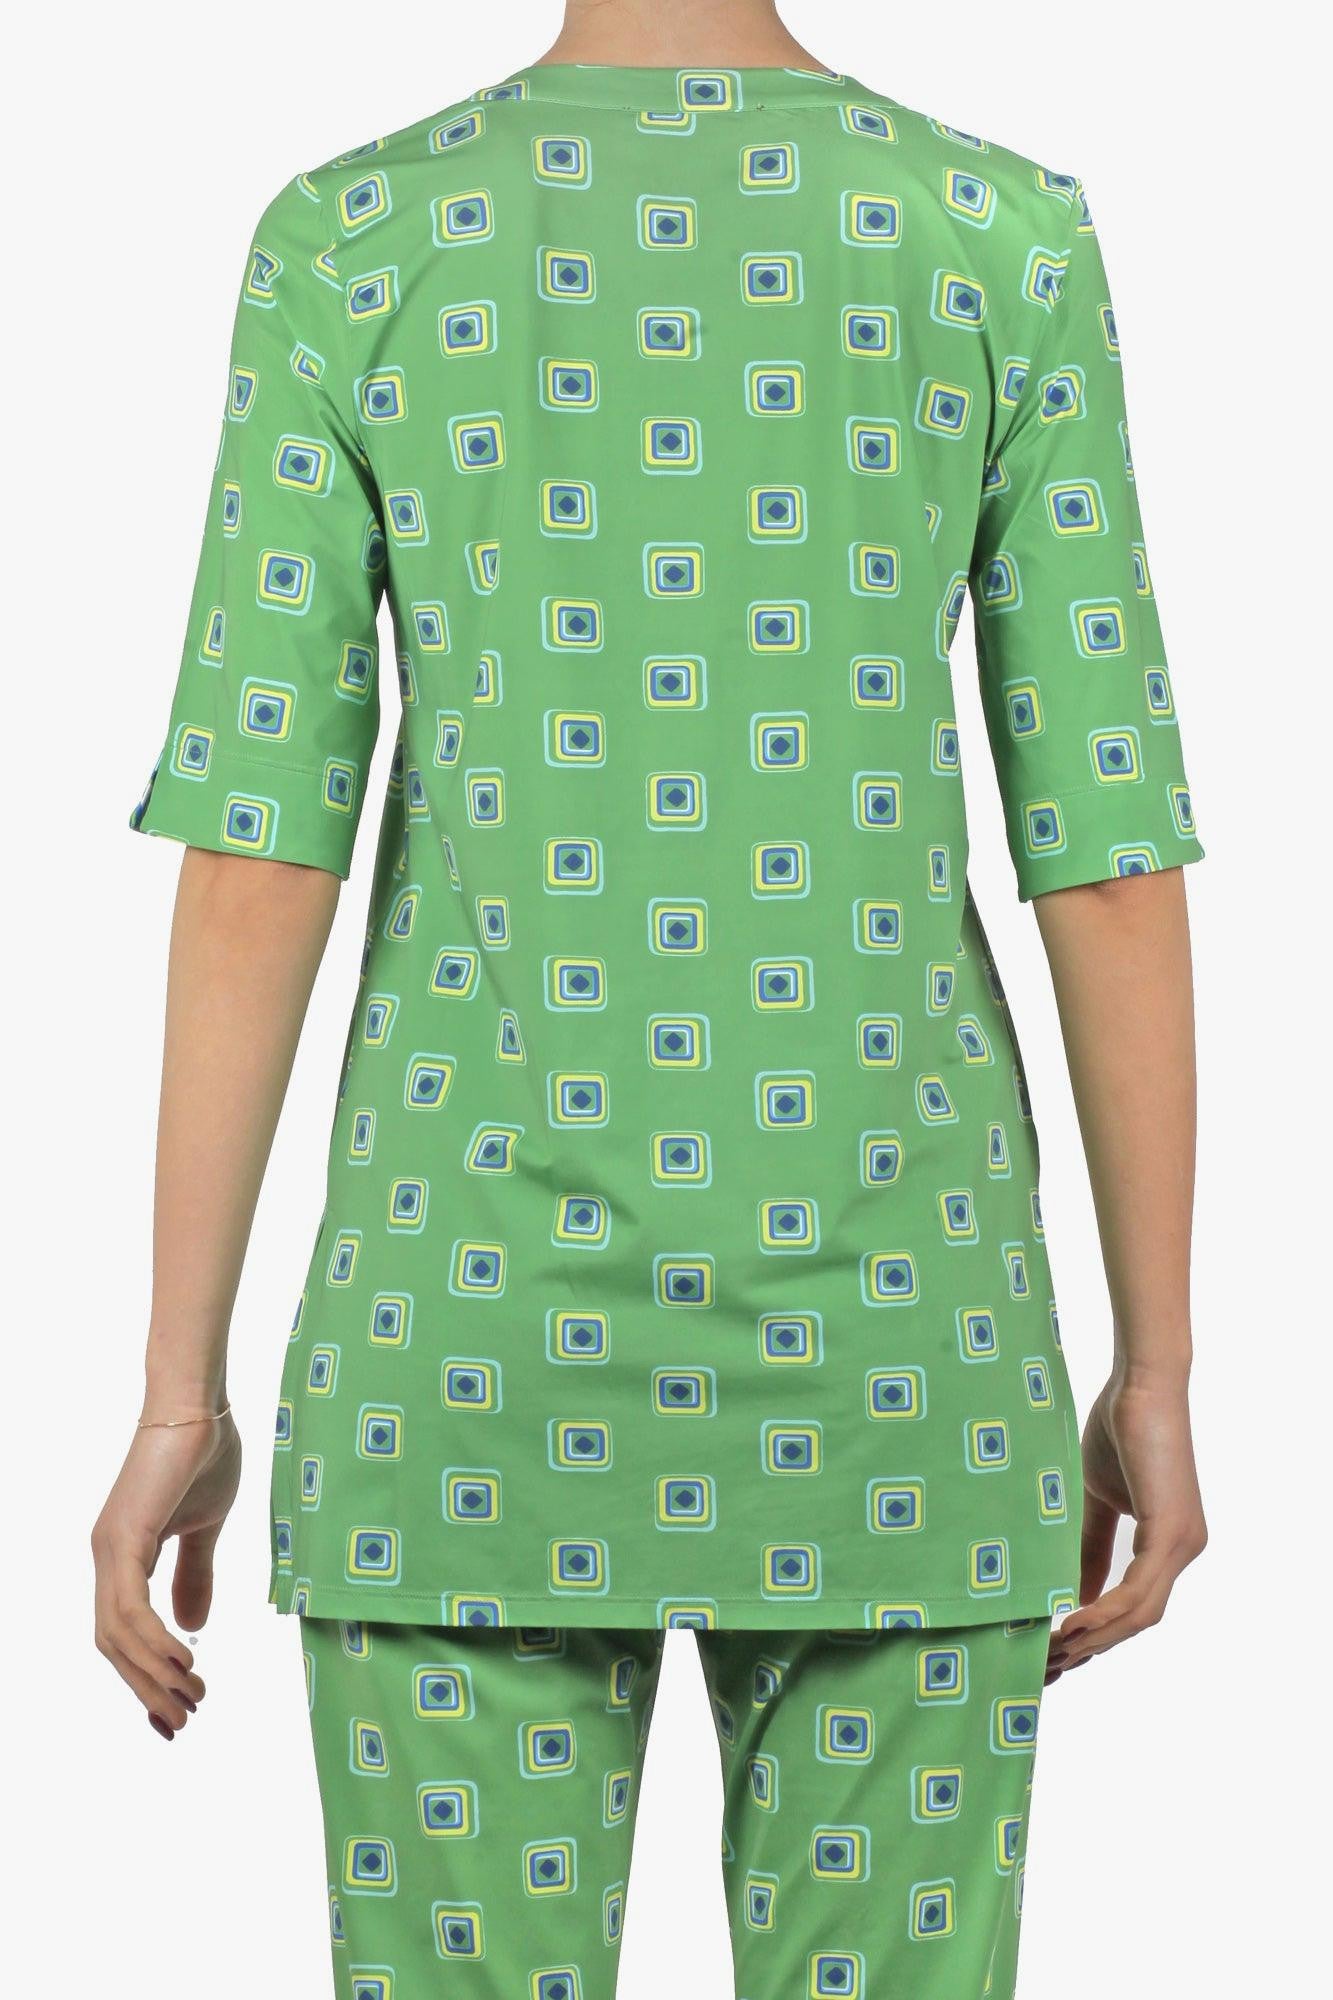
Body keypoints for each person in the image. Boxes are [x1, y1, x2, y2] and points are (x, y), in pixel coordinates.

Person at [93, 1, 1209, 1991]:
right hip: (904, 1348)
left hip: (460, 1353)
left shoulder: (357, 236)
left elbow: (261, 845)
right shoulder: (991, 232)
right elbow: (1103, 849)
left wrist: (182, 1389)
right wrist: (1153, 1369)